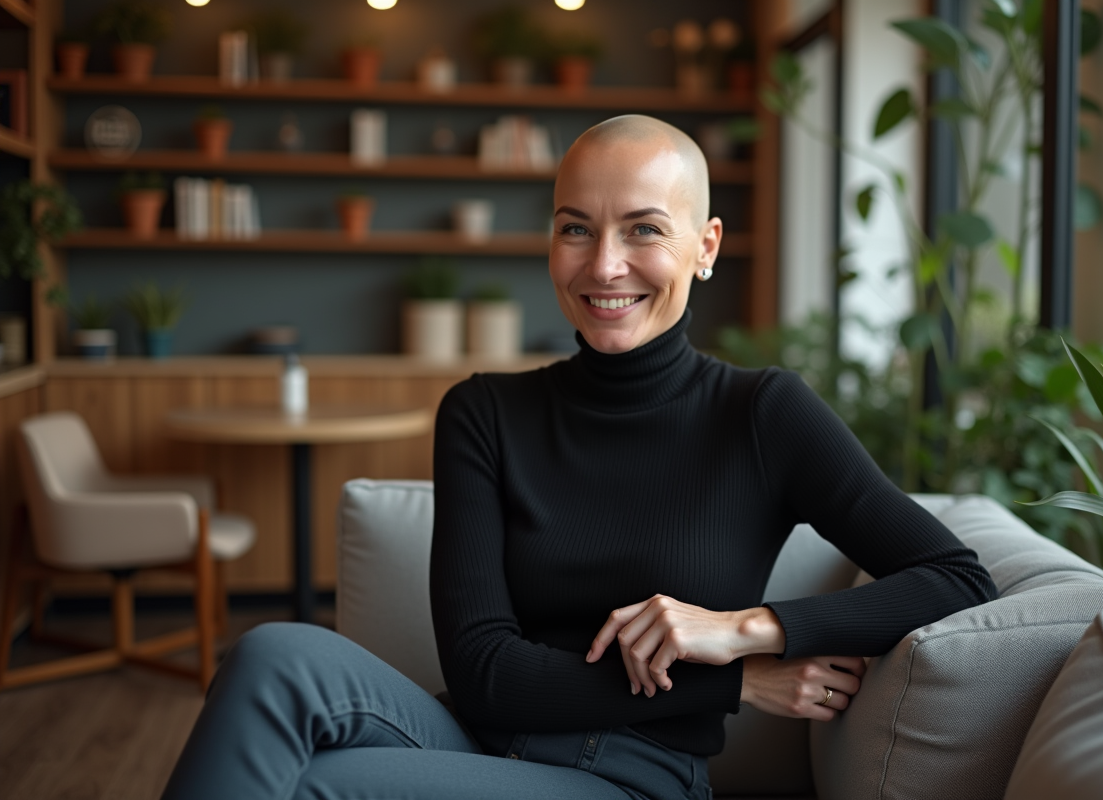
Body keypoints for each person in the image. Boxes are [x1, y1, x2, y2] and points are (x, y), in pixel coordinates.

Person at [161, 115, 997, 800]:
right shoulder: (484, 412)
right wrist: (738, 687)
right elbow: (485, 671)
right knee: (270, 653)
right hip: (471, 737)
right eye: (576, 229)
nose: (604, 265)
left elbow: (957, 577)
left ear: (705, 247)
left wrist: (746, 634)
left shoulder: (762, 413)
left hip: (635, 777)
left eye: (644, 230)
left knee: (309, 786)